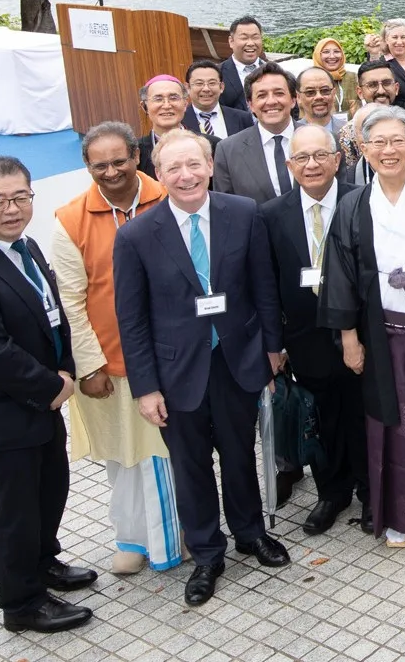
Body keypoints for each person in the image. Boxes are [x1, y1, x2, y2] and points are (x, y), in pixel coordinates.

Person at [113, 131, 290, 605]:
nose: (185, 176)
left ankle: (251, 533)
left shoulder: (244, 213)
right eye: (173, 168)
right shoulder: (135, 236)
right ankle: (208, 553)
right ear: (159, 175)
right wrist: (145, 387)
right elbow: (131, 320)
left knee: (239, 455)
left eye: (194, 164)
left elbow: (263, 286)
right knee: (190, 466)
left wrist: (273, 348)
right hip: (176, 373)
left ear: (210, 165)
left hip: (236, 360)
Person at [315, 107, 405, 550]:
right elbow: (339, 274)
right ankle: (397, 515)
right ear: (361, 148)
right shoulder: (353, 204)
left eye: (398, 139)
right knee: (391, 422)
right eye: (377, 142)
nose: (388, 150)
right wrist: (348, 338)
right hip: (381, 332)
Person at [0, 156, 96, 633]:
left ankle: (44, 563)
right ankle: (21, 604)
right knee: (13, 513)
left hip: (43, 402)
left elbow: (51, 314)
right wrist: (54, 385)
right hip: (4, 413)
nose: (12, 209)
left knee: (49, 491)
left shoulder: (26, 246)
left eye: (21, 197)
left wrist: (66, 368)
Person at [51, 124, 183, 575]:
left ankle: (177, 534)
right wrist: (89, 366)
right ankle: (132, 538)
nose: (111, 171)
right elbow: (70, 299)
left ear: (136, 156)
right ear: (87, 167)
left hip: (171, 354)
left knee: (170, 451)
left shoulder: (170, 196)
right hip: (109, 363)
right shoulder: (70, 219)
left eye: (119, 160)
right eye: (98, 164)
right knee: (123, 457)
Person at [260, 125, 368, 536]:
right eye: (302, 158)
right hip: (305, 339)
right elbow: (267, 286)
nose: (312, 165)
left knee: (362, 414)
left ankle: (371, 491)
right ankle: (332, 493)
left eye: (320, 155)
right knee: (321, 419)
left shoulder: (363, 204)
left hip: (360, 334)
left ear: (338, 160)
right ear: (290, 165)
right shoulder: (271, 215)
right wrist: (274, 344)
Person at [212, 63, 300, 205]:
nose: (271, 101)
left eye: (279, 93)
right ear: (250, 104)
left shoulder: (322, 139)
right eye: (261, 95)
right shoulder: (228, 151)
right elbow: (225, 208)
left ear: (293, 100)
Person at [339, 63, 405, 176]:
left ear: (396, 88)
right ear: (360, 92)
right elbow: (349, 177)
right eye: (372, 85)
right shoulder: (349, 132)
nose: (381, 91)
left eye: (387, 83)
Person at [139, 74, 212, 178]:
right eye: (158, 99)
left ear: (185, 104)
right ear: (144, 106)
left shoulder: (213, 145)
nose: (167, 105)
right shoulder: (135, 152)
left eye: (173, 98)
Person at [182, 59, 253, 138]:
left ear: (221, 87)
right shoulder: (180, 120)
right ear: (187, 87)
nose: (206, 89)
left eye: (212, 83)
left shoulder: (243, 118)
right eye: (199, 83)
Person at [218, 16, 269, 112]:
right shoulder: (218, 74)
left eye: (255, 37)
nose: (250, 43)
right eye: (244, 38)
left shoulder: (274, 71)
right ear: (231, 41)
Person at [309, 38, 358, 115]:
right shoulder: (309, 80)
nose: (332, 56)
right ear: (318, 55)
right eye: (326, 52)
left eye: (336, 51)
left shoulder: (352, 77)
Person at [297, 66, 347, 137]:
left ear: (334, 93)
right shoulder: (293, 133)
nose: (319, 97)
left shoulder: (349, 131)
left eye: (325, 90)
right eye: (310, 92)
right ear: (298, 97)